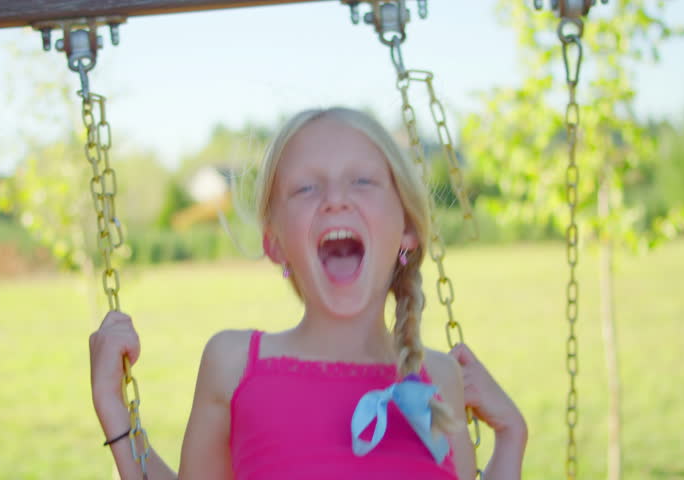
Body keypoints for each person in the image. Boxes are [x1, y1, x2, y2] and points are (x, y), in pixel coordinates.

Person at [89, 107, 527, 479]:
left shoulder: (438, 378)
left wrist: (510, 436)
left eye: (362, 181)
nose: (336, 199)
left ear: (407, 228)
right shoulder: (236, 364)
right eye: (306, 187)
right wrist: (116, 411)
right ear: (275, 243)